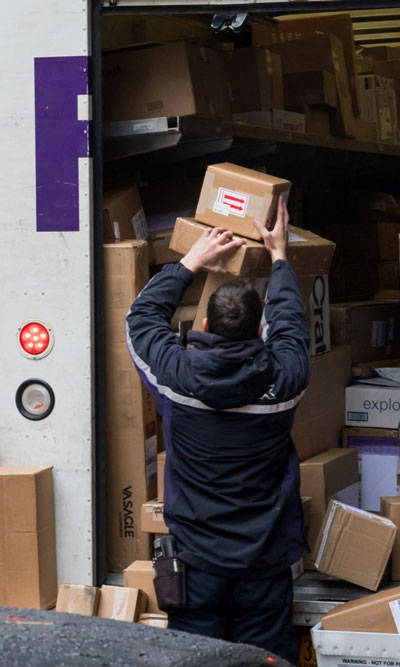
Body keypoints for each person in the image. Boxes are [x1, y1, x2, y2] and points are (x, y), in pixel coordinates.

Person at [125, 200, 309, 663]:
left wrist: (189, 261)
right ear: (258, 333)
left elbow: (140, 321)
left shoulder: (177, 376)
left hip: (196, 565)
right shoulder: (283, 379)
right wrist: (280, 257)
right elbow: (291, 325)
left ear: (204, 326)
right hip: (263, 564)